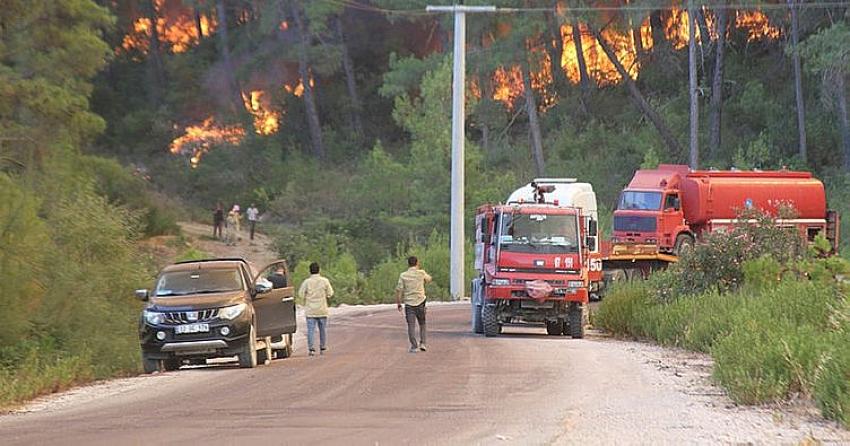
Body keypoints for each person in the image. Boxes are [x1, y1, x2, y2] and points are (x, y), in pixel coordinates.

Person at [395, 256, 432, 353]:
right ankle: (423, 343)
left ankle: (414, 346)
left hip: (409, 303)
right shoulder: (421, 273)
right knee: (422, 323)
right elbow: (429, 279)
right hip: (420, 301)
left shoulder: (403, 275)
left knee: (411, 325)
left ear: (408, 264)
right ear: (417, 263)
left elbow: (399, 290)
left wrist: (399, 303)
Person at [297, 262, 334, 356]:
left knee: (310, 330)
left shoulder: (307, 282)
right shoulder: (325, 281)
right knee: (323, 329)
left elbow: (300, 294)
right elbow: (330, 293)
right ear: (319, 270)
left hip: (310, 310)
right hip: (322, 309)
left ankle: (311, 349)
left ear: (310, 271)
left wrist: (307, 297)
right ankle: (322, 347)